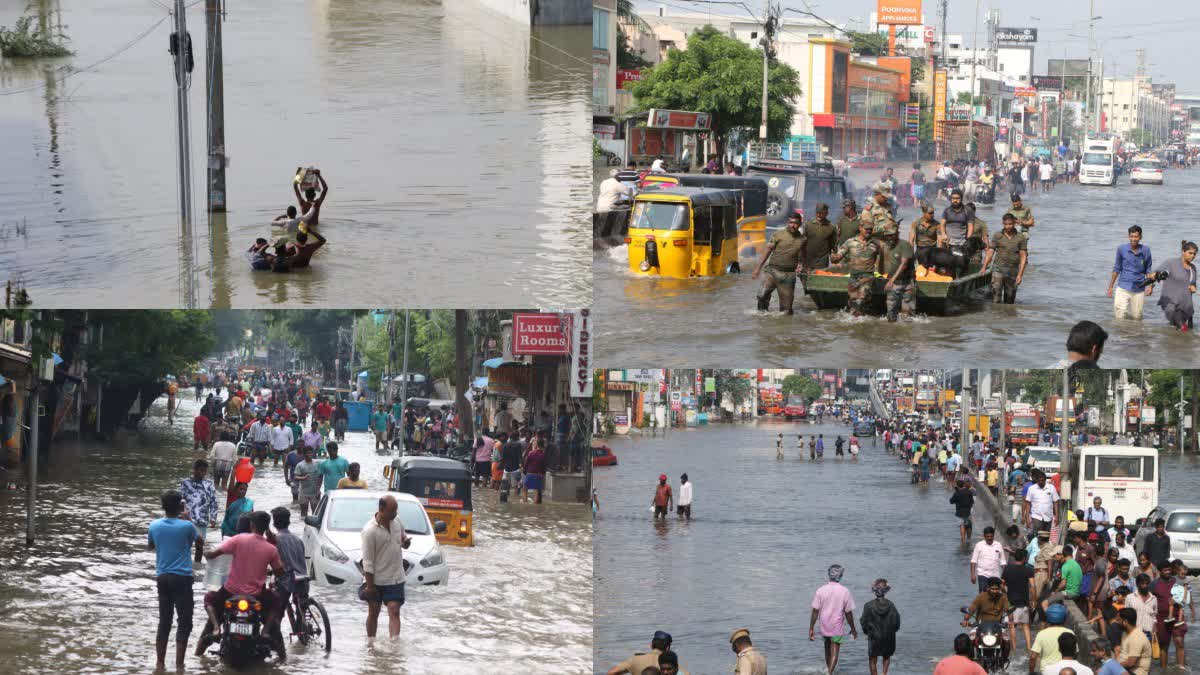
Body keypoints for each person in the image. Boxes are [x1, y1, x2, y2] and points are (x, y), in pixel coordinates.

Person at [197, 511, 285, 658]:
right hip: (256, 595)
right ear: (266, 527)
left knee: (209, 599)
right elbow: (280, 572)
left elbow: (214, 553)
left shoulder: (238, 540)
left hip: (230, 591)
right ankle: (267, 632)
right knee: (276, 601)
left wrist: (207, 553)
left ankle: (215, 630)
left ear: (251, 525)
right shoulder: (271, 549)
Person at [148, 489, 202, 669]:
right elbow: (200, 541)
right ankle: (179, 665)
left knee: (165, 620)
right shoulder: (187, 526)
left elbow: (151, 546)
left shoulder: (154, 525)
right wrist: (189, 520)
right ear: (181, 506)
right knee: (184, 621)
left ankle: (160, 663)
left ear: (163, 507)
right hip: (182, 578)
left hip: (162, 578)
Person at [361, 495, 410, 639]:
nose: (395, 514)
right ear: (381, 510)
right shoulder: (370, 531)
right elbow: (368, 562)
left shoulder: (397, 521)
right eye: (392, 511)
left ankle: (394, 646)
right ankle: (371, 644)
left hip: (396, 577)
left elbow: (402, 537)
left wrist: (405, 542)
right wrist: (370, 587)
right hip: (376, 580)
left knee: (394, 610)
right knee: (373, 612)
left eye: (396, 510)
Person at [752, 211, 805, 314]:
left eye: (795, 223)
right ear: (787, 222)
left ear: (800, 224)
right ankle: (762, 318)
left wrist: (801, 265)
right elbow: (767, 251)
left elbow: (803, 255)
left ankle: (783, 328)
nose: (792, 225)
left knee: (786, 310)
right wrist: (757, 269)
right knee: (761, 295)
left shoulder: (802, 239)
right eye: (790, 222)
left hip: (788, 275)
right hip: (772, 272)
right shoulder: (778, 235)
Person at [810, 564, 858, 675]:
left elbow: (815, 611)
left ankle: (828, 670)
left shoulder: (821, 590)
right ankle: (830, 673)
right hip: (836, 626)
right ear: (840, 576)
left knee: (827, 649)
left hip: (824, 625)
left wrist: (811, 628)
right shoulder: (845, 591)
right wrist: (853, 629)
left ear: (829, 575)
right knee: (835, 651)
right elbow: (848, 613)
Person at [830, 219, 882, 317]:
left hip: (867, 276)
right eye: (866, 229)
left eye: (870, 229)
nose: (869, 231)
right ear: (860, 228)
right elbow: (838, 257)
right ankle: (856, 322)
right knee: (853, 301)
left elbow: (882, 260)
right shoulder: (850, 242)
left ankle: (860, 318)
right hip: (854, 276)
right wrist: (833, 257)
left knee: (862, 298)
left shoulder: (876, 244)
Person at [269, 506, 306, 635]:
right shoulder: (298, 539)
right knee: (302, 606)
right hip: (303, 577)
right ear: (289, 522)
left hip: (287, 580)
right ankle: (302, 630)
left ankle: (275, 639)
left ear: (274, 523)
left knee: (276, 612)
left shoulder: (275, 540)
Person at [1148, 240, 1198, 331]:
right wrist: (1151, 282)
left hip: (1186, 306)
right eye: (1190, 253)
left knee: (1180, 333)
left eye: (1194, 254)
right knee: (1183, 328)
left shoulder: (1193, 268)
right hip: (1171, 304)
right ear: (1183, 251)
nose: (1193, 256)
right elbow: (1154, 274)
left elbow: (1193, 284)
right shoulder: (1171, 263)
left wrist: (1194, 288)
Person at [1107, 225, 1154, 321]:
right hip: (1123, 287)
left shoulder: (1146, 250)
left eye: (1136, 237)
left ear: (1140, 237)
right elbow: (1117, 268)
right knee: (1120, 315)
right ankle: (1121, 335)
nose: (1133, 239)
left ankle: (1135, 335)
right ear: (1128, 236)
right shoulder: (1121, 249)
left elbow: (1148, 270)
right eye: (1131, 236)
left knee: (1137, 318)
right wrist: (1111, 286)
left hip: (1139, 288)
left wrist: (1150, 286)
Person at [982, 213, 1028, 304]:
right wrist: (984, 266)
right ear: (1003, 224)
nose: (1008, 226)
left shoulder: (1021, 237)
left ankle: (1008, 317)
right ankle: (996, 317)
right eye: (1006, 224)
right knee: (996, 298)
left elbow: (1023, 256)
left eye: (1010, 224)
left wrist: (1020, 275)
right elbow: (991, 252)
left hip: (1013, 271)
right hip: (998, 269)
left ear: (1014, 223)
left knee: (1010, 300)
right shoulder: (997, 235)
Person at [179, 459, 218, 564]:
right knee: (185, 545)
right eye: (200, 470)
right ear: (194, 470)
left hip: (202, 519)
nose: (203, 473)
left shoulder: (209, 484)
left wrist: (213, 518)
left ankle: (197, 565)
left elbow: (214, 501)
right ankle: (184, 564)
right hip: (187, 519)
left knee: (199, 545)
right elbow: (181, 500)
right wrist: (180, 515)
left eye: (205, 471)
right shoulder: (186, 483)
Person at [860, 579, 900, 675]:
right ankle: (884, 674)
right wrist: (892, 631)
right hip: (888, 636)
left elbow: (863, 622)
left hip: (874, 636)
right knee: (886, 657)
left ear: (874, 591)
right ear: (886, 591)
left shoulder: (868, 605)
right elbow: (897, 622)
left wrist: (867, 632)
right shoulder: (891, 605)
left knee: (872, 659)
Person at [1002, 549, 1036, 651]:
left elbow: (1001, 584)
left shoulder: (1007, 569)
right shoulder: (1028, 570)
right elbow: (1033, 586)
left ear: (1014, 558)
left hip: (1011, 601)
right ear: (1024, 559)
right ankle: (1029, 647)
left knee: (1012, 625)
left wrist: (1004, 594)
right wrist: (1034, 600)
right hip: (1023, 602)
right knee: (1026, 625)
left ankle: (1014, 648)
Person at [881, 225, 916, 322]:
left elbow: (904, 264)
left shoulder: (904, 245)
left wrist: (891, 280)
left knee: (907, 317)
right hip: (893, 284)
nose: (890, 237)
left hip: (906, 284)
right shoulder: (887, 247)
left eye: (892, 235)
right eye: (888, 236)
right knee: (891, 315)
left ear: (898, 234)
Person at [1029, 603, 1074, 672]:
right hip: (1066, 671)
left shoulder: (1042, 634)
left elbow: (1033, 657)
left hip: (1046, 672)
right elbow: (1075, 653)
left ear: (1048, 618)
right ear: (1064, 618)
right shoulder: (1070, 633)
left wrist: (1031, 672)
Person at [607, 632, 673, 675]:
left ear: (651, 645)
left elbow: (611, 673)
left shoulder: (634, 660)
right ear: (667, 648)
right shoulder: (671, 665)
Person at [801, 203, 839, 271]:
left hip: (822, 262)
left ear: (826, 213)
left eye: (822, 213)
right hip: (808, 260)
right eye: (817, 212)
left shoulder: (831, 227)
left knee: (818, 280)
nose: (819, 215)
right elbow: (802, 242)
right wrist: (800, 260)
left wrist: (834, 256)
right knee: (805, 279)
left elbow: (833, 245)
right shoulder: (808, 225)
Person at [1115, 606, 1152, 675]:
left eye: (1118, 620)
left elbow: (1130, 663)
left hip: (1135, 672)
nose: (1116, 622)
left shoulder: (1136, 638)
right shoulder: (1125, 633)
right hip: (1124, 668)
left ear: (1125, 622)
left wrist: (1113, 666)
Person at [293, 447, 322, 519]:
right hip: (303, 492)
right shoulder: (300, 465)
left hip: (315, 492)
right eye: (307, 453)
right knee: (303, 513)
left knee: (315, 513)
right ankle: (303, 527)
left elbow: (321, 476)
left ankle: (314, 529)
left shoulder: (318, 463)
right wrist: (303, 478)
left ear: (313, 453)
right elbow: (295, 477)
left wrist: (318, 489)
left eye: (311, 453)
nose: (309, 454)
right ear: (304, 454)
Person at [950, 480, 975, 545]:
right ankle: (969, 539)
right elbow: (972, 502)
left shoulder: (957, 493)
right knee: (969, 525)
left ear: (957, 485)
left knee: (962, 525)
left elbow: (951, 501)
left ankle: (963, 540)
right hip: (968, 511)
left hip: (959, 512)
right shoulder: (968, 492)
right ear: (963, 485)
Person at [522, 439, 546, 504]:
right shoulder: (543, 455)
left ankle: (525, 503)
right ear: (543, 445)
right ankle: (535, 505)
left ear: (537, 445)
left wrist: (524, 471)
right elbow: (544, 466)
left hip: (529, 473)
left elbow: (526, 463)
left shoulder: (531, 453)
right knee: (536, 490)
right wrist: (542, 474)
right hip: (538, 474)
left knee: (525, 489)